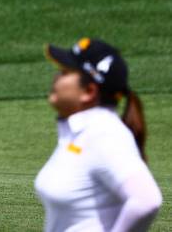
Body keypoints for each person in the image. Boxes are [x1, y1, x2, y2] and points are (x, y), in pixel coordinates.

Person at [35, 37, 162, 231]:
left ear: (89, 91)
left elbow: (146, 200)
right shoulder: (82, 133)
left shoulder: (104, 135)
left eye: (65, 72)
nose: (56, 78)